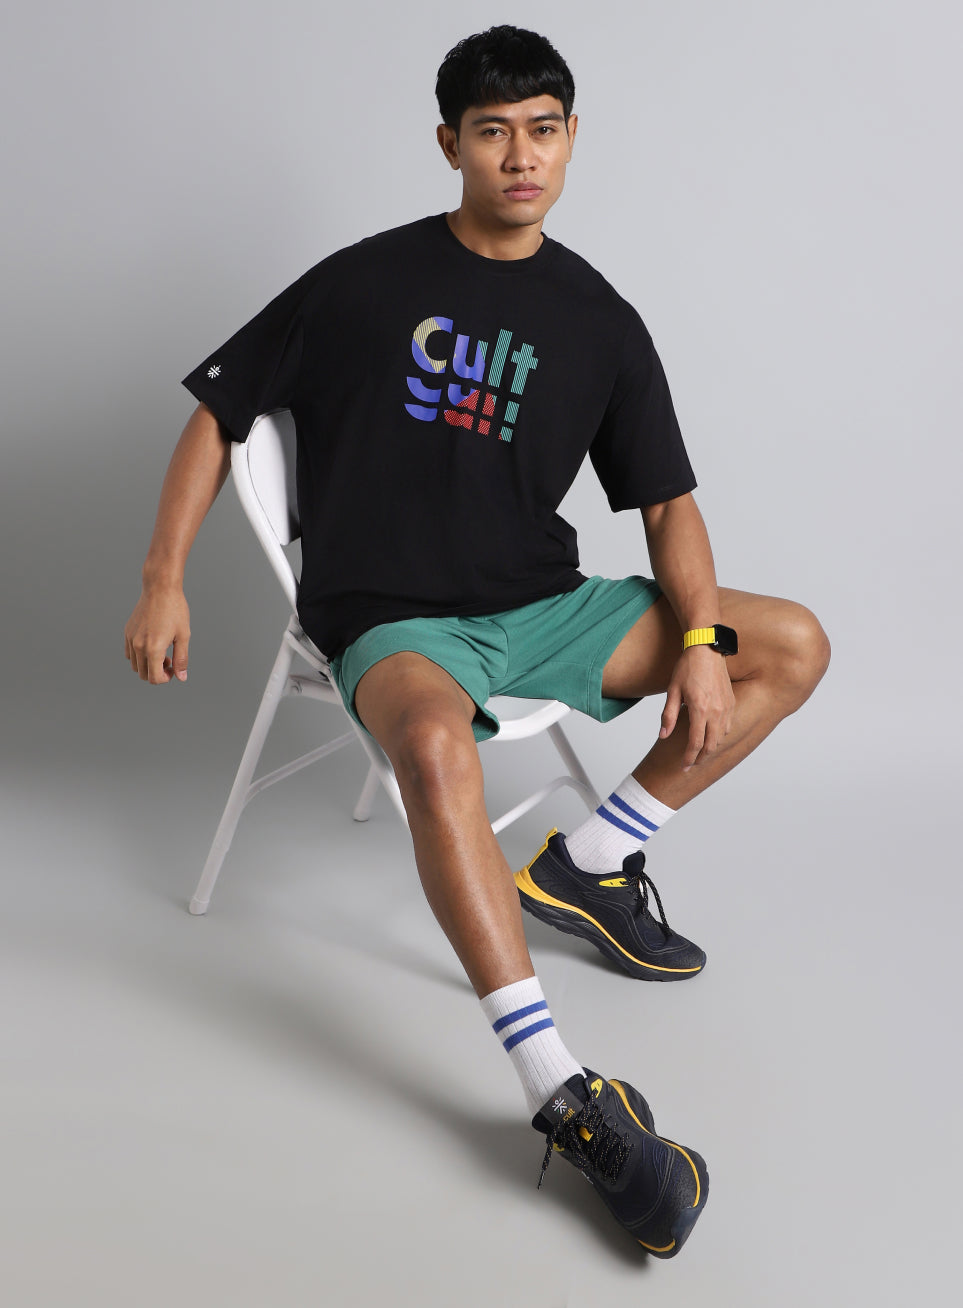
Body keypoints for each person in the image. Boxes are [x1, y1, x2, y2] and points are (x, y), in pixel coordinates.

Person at [124, 25, 830, 1258]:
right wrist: (162, 579)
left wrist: (700, 639)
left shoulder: (599, 317)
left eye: (543, 130)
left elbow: (668, 505)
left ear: (572, 140)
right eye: (493, 132)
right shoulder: (362, 281)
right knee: (438, 753)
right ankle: (557, 1088)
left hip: (542, 611)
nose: (521, 157)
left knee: (792, 644)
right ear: (450, 143)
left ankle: (592, 862)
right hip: (395, 620)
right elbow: (217, 411)